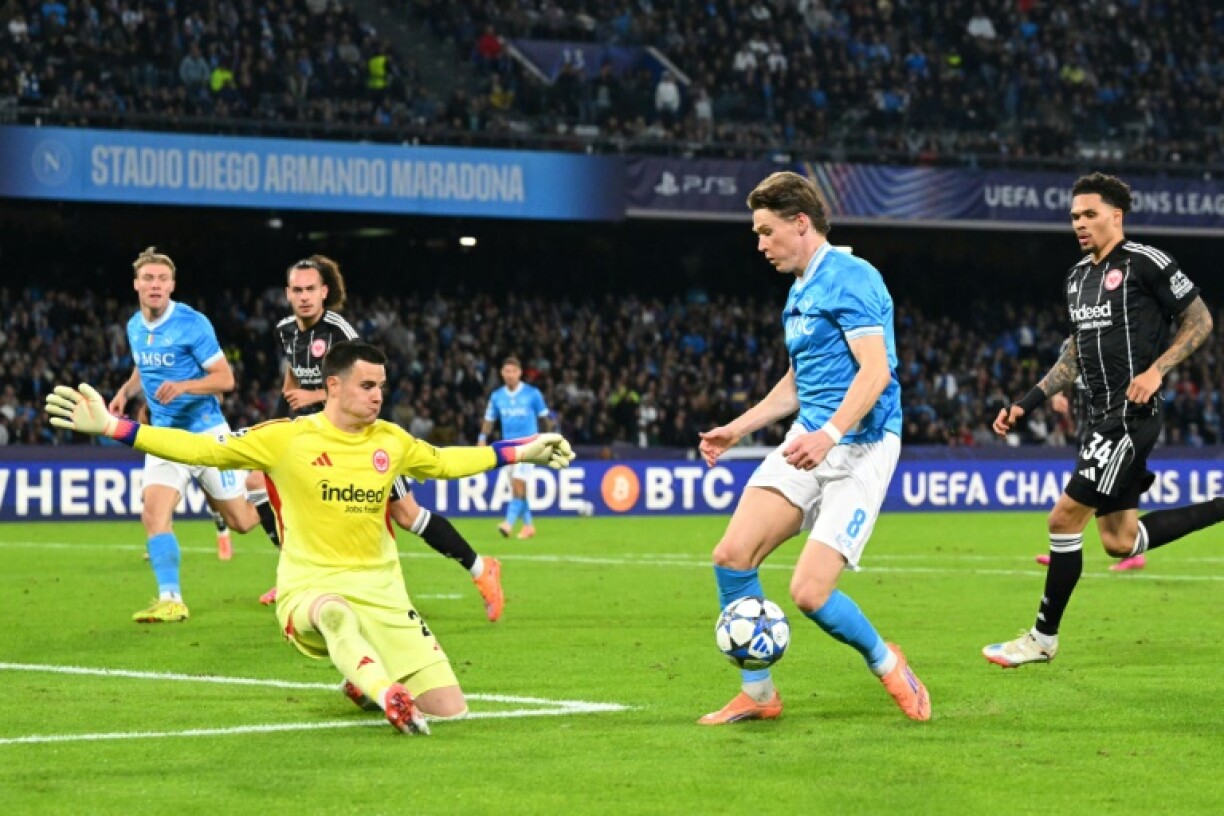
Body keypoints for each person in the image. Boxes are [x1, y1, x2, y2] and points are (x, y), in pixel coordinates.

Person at [45, 341, 576, 734]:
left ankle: (363, 681)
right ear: (336, 387)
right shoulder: (286, 438)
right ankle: (384, 690)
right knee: (335, 615)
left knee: (451, 710)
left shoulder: (389, 440)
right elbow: (203, 450)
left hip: (385, 593)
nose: (378, 396)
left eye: (383, 387)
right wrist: (117, 428)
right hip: (309, 587)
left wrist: (524, 449)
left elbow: (446, 462)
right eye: (368, 386)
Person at [696, 171, 930, 725]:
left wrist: (830, 436)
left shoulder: (852, 278)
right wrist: (739, 427)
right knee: (732, 556)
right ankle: (758, 694)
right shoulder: (800, 288)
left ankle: (887, 662)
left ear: (801, 223)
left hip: (862, 445)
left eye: (766, 231)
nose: (760, 244)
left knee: (809, 593)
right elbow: (801, 381)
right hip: (810, 440)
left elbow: (876, 372)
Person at [984, 172, 1222, 669]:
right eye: (1074, 216)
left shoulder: (1146, 263)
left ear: (1117, 215)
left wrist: (1157, 371)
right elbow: (1073, 354)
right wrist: (1026, 402)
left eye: (1090, 214)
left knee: (1063, 518)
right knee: (1119, 541)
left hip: (1129, 417)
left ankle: (1042, 638)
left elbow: (1199, 321)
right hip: (1098, 418)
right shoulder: (1076, 278)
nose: (1080, 223)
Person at [252, 256, 505, 623]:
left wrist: (313, 396)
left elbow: (361, 383)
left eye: (311, 289)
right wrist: (282, 419)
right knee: (260, 483)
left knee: (406, 514)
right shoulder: (286, 330)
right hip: (317, 436)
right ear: (287, 293)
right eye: (297, 290)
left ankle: (482, 569)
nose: (304, 296)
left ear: (324, 292)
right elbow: (292, 376)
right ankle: (295, 577)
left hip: (361, 436)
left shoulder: (339, 331)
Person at [107, 247, 267, 623]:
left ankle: (276, 495)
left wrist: (185, 386)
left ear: (172, 285)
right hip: (163, 438)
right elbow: (142, 367)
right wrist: (125, 392)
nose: (155, 285)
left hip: (206, 436)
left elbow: (225, 379)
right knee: (153, 513)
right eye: (148, 278)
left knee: (242, 521)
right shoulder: (133, 326)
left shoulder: (193, 324)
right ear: (136, 284)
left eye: (162, 279)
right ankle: (171, 598)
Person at [479, 356, 554, 539]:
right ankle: (528, 526)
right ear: (502, 373)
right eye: (507, 371)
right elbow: (489, 419)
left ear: (520, 373)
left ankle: (508, 523)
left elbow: (545, 419)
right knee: (517, 487)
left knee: (518, 482)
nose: (510, 375)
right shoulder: (497, 396)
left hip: (529, 446)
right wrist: (482, 438)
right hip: (508, 448)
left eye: (513, 371)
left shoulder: (533, 394)